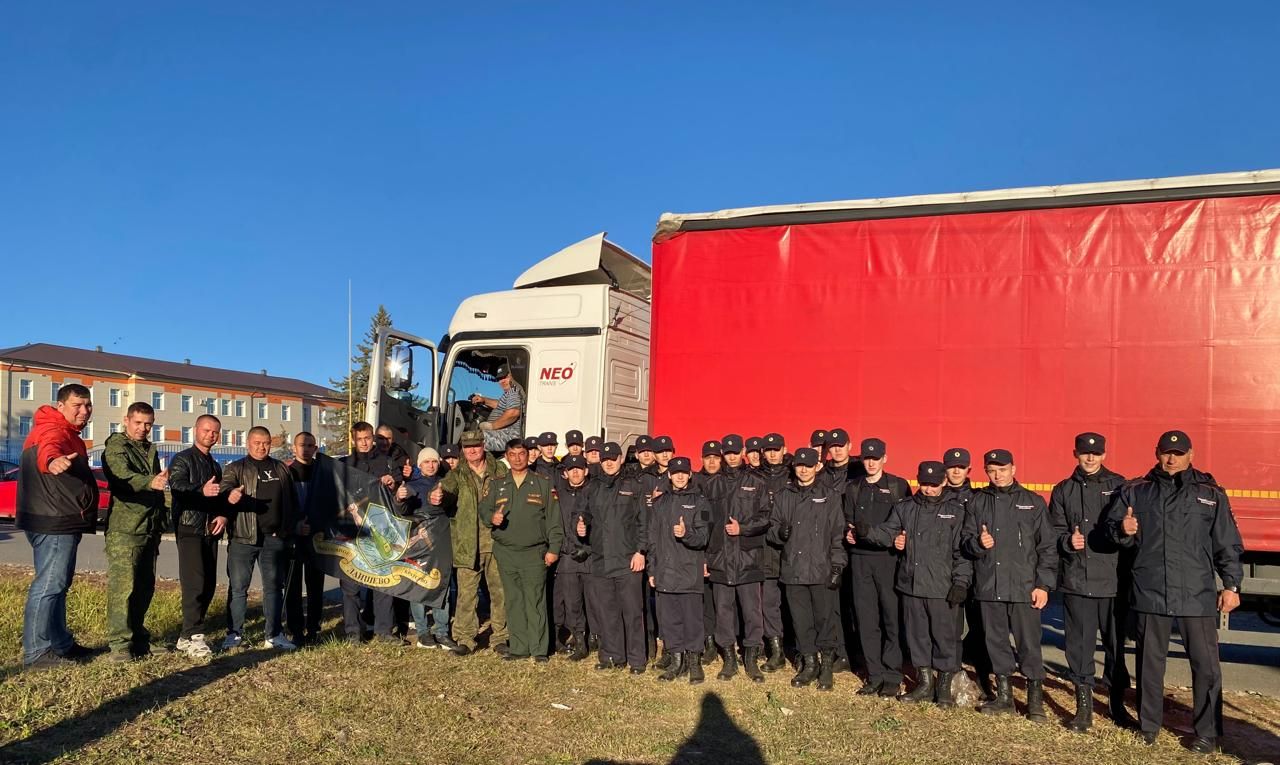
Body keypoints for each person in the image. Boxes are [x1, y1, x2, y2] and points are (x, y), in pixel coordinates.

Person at [1107, 430, 1244, 753]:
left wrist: (1231, 585)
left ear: (1191, 454)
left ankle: (1207, 732)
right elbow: (1112, 531)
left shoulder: (1210, 493)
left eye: (1178, 453)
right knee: (1149, 665)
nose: (1172, 459)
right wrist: (1122, 531)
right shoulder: (1136, 491)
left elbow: (1227, 542)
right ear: (1156, 453)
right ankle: (1149, 725)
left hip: (1195, 593)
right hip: (1150, 590)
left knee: (1206, 666)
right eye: (1166, 452)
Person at [863, 461, 971, 707]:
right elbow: (888, 532)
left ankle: (943, 688)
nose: (929, 489)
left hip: (942, 588)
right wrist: (865, 531)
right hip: (911, 585)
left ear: (944, 482)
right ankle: (924, 684)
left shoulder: (956, 512)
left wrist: (961, 582)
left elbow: (961, 552)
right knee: (917, 637)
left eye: (934, 485)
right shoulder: (906, 508)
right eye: (924, 484)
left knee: (944, 638)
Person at [1048, 432, 1136, 731]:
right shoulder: (1063, 490)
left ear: (1104, 455)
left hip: (1112, 582)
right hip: (1077, 582)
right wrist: (1066, 542)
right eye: (1085, 453)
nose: (1090, 458)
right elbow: (1052, 532)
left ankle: (1116, 705)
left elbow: (1130, 534)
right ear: (1075, 453)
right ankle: (1083, 709)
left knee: (1115, 648)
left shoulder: (1120, 486)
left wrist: (1125, 532)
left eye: (1096, 453)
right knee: (1079, 648)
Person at [961, 449, 1056, 720]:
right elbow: (965, 541)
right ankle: (1004, 697)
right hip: (990, 587)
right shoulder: (977, 503)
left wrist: (1043, 585)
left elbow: (1047, 547)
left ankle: (1034, 702)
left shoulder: (1032, 502)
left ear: (1013, 469)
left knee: (1029, 646)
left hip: (1025, 589)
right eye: (991, 470)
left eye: (1002, 469)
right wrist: (978, 544)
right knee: (996, 643)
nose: (997, 475)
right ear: (985, 472)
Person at [16, 383, 98, 670]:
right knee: (49, 585)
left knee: (57, 585)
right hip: (54, 521)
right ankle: (37, 652)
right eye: (77, 405)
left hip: (54, 518)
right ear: (61, 406)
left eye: (88, 405)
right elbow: (49, 451)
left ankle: (60, 643)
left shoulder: (63, 432)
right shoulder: (54, 430)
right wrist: (52, 461)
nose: (84, 411)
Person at [768, 448, 845, 691]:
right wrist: (779, 533)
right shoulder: (784, 495)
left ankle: (826, 667)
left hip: (822, 569)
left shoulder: (829, 496)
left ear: (816, 467)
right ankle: (809, 664)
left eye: (808, 466)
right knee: (801, 621)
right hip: (794, 570)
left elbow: (837, 534)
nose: (803, 469)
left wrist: (837, 565)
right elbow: (772, 527)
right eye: (799, 465)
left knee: (825, 619)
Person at [220, 426, 300, 651]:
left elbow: (292, 502)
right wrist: (231, 495)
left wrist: (287, 529)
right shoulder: (235, 468)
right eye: (257, 442)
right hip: (243, 538)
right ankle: (234, 634)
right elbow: (225, 489)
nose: (261, 446)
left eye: (265, 442)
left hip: (274, 540)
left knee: (274, 587)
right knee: (238, 588)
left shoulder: (281, 469)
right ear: (248, 443)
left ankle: (273, 635)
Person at [843, 437, 912, 696]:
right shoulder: (853, 488)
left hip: (888, 560)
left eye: (876, 458)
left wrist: (904, 539)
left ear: (885, 458)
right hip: (860, 560)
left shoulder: (898, 486)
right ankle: (874, 674)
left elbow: (909, 520)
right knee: (866, 619)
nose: (871, 463)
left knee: (891, 618)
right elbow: (846, 520)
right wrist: (846, 534)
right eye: (867, 458)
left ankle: (893, 675)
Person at [101, 401, 169, 661]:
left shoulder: (148, 448)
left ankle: (139, 638)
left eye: (148, 423)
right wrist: (150, 481)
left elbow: (158, 487)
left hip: (149, 526)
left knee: (144, 586)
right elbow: (121, 476)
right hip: (125, 529)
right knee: (123, 588)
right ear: (126, 421)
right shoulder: (117, 446)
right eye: (138, 422)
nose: (143, 428)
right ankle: (119, 644)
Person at [484, 437, 562, 662]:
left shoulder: (542, 483)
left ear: (528, 456)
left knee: (535, 600)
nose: (517, 459)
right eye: (513, 455)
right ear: (506, 457)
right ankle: (519, 647)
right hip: (506, 552)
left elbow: (554, 521)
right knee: (514, 599)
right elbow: (484, 509)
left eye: (521, 454)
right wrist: (492, 517)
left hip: (534, 552)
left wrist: (554, 548)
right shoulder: (498, 484)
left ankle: (539, 650)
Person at [434, 429, 510, 656]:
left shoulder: (500, 469)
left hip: (496, 542)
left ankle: (501, 637)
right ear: (462, 450)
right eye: (467, 447)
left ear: (483, 445)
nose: (472, 450)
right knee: (467, 594)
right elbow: (446, 492)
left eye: (476, 445)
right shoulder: (457, 474)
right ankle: (465, 639)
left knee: (500, 592)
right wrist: (437, 496)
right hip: (468, 544)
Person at [578, 442, 647, 673]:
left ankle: (636, 660)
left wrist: (640, 551)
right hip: (601, 559)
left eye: (613, 458)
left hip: (628, 559)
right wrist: (581, 524)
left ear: (620, 459)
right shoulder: (592, 487)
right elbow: (583, 513)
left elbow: (644, 522)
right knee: (607, 611)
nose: (608, 462)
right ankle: (612, 655)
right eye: (605, 459)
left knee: (632, 612)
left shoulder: (633, 486)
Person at [706, 434, 769, 683]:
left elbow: (766, 517)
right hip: (720, 559)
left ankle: (751, 659)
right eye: (727, 452)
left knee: (752, 611)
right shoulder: (711, 485)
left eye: (735, 451)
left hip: (747, 558)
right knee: (723, 610)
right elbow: (703, 523)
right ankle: (729, 659)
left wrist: (743, 528)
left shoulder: (756, 482)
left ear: (742, 451)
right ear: (722, 453)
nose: (731, 456)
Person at [647, 457, 711, 683]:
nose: (680, 476)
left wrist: (687, 535)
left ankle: (694, 662)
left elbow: (704, 537)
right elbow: (652, 539)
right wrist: (651, 569)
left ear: (690, 475)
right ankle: (676, 661)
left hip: (689, 571)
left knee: (692, 620)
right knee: (670, 620)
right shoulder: (659, 504)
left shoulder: (701, 502)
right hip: (665, 571)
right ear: (669, 475)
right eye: (676, 473)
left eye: (684, 472)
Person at [169, 414, 227, 659]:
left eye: (215, 432)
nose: (210, 435)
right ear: (195, 431)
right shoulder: (182, 458)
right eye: (206, 430)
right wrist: (199, 490)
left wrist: (223, 516)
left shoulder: (214, 464)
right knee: (194, 583)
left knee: (208, 584)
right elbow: (177, 485)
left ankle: (185, 636)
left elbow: (220, 496)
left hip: (210, 531)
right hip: (189, 527)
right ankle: (195, 635)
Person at [341, 421, 404, 643]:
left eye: (368, 438)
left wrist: (393, 483)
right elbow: (336, 493)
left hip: (381, 529)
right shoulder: (344, 465)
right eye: (360, 439)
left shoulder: (387, 462)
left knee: (383, 582)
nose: (365, 442)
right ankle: (353, 632)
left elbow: (400, 489)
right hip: (353, 530)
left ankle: (384, 631)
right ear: (353, 440)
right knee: (351, 586)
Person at [943, 446, 994, 702]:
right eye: (951, 466)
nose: (956, 471)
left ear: (968, 470)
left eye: (961, 467)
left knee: (982, 630)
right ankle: (952, 679)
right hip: (950, 573)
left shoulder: (978, 498)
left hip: (978, 573)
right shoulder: (938, 498)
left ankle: (985, 680)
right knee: (951, 631)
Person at [397, 447, 458, 651]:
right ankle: (423, 631)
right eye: (426, 462)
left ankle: (442, 631)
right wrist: (400, 497)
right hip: (420, 543)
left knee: (442, 586)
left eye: (434, 462)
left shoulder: (447, 482)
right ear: (419, 464)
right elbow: (402, 512)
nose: (431, 465)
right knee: (419, 586)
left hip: (442, 541)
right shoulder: (411, 485)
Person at [284, 431, 326, 646]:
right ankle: (295, 628)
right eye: (303, 445)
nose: (307, 449)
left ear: (316, 448)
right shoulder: (287, 472)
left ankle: (313, 628)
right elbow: (282, 506)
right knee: (293, 586)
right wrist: (294, 526)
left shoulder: (322, 472)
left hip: (317, 538)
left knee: (315, 585)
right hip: (295, 537)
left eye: (311, 445)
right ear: (294, 447)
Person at [755, 432, 791, 673]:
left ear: (784, 450)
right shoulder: (754, 477)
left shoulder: (793, 476)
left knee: (794, 604)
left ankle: (798, 648)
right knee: (768, 602)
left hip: (791, 549)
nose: (772, 454)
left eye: (776, 449)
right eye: (768, 450)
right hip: (764, 549)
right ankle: (775, 651)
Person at [553, 454, 593, 660]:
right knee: (571, 601)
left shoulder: (595, 492)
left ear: (586, 470)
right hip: (568, 556)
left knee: (593, 601)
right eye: (572, 469)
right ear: (565, 473)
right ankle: (579, 642)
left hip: (591, 557)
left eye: (580, 468)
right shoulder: (558, 494)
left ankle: (595, 638)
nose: (576, 472)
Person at [693, 440, 725, 667]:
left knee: (724, 602)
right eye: (708, 457)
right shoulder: (695, 482)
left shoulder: (728, 482)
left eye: (716, 457)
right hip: (703, 548)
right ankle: (709, 643)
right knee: (704, 602)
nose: (712, 461)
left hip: (725, 549)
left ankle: (727, 644)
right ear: (702, 459)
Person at [471, 362, 525, 453]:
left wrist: (491, 426)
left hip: (510, 436)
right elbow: (500, 405)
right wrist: (484, 400)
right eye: (499, 379)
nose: (502, 381)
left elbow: (513, 412)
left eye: (505, 377)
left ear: (512, 376)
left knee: (471, 440)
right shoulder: (509, 393)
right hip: (504, 433)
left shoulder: (514, 391)